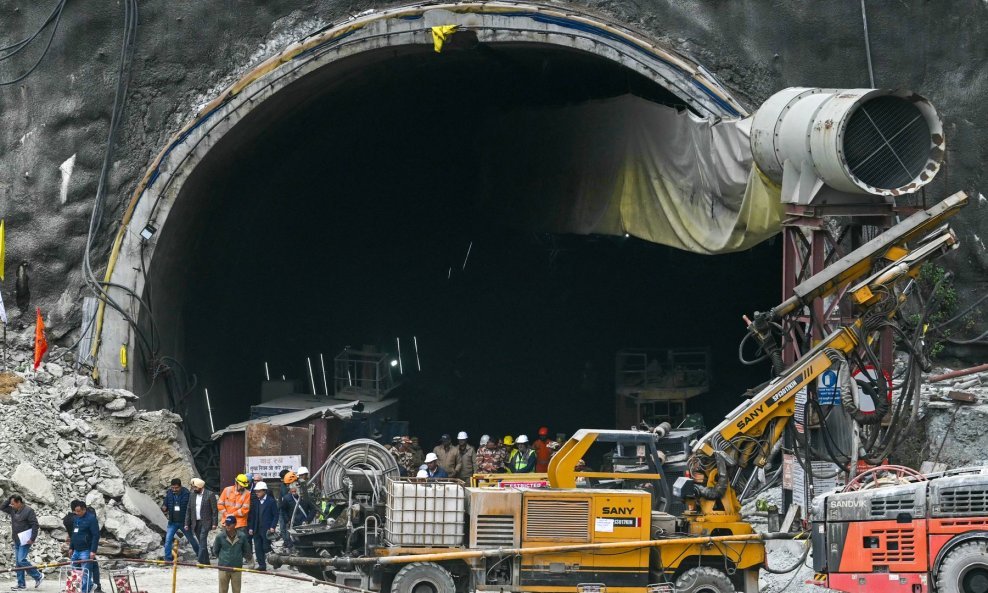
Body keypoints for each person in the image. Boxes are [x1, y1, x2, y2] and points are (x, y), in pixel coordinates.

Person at [1, 494, 42, 590]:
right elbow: (2, 507)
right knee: (18, 563)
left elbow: (35, 525)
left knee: (21, 560)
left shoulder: (29, 511)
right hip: (16, 539)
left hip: (25, 540)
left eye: (13, 503)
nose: (11, 505)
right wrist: (10, 498)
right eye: (11, 504)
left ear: (19, 502)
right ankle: (21, 584)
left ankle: (38, 576)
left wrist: (32, 538)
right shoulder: (12, 509)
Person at [162, 478, 199, 561]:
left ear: (180, 486)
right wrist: (164, 507)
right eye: (173, 488)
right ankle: (168, 559)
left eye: (176, 488)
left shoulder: (187, 494)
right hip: (172, 522)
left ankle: (200, 556)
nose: (174, 490)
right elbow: (165, 503)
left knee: (191, 539)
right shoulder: (169, 493)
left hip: (184, 523)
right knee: (168, 540)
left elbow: (192, 508)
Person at [212, 515, 251, 593]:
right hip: (223, 567)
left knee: (236, 590)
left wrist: (238, 557)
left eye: (229, 524)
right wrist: (223, 559)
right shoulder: (220, 536)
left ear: (235, 524)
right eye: (226, 524)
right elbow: (215, 551)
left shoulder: (242, 536)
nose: (227, 526)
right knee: (222, 590)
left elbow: (246, 551)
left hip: (237, 567)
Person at [68, 500, 100, 593]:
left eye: (79, 511)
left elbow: (96, 535)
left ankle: (84, 590)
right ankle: (84, 587)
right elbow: (74, 534)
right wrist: (71, 547)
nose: (77, 513)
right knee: (74, 572)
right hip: (76, 550)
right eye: (76, 511)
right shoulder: (76, 518)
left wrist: (93, 551)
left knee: (85, 573)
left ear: (84, 509)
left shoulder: (91, 519)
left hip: (86, 550)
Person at [185, 478, 217, 565]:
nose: (194, 489)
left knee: (202, 539)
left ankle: (199, 560)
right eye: (193, 487)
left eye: (195, 487)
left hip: (206, 522)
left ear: (200, 487)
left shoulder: (210, 494)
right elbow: (189, 509)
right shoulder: (192, 495)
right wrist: (187, 523)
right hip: (196, 522)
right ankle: (206, 561)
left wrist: (214, 523)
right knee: (201, 542)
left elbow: (214, 510)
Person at [247, 482, 277, 571]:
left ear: (264, 491)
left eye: (259, 491)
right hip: (256, 529)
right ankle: (262, 565)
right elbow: (253, 516)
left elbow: (276, 515)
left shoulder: (271, 501)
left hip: (266, 529)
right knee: (258, 547)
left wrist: (273, 526)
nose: (257, 493)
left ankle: (276, 560)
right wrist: (251, 528)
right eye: (256, 492)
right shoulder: (255, 502)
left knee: (266, 547)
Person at [280, 483, 314, 550]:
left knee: (305, 542)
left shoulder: (306, 497)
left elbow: (313, 509)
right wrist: (287, 520)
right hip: (292, 524)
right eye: (292, 491)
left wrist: (308, 520)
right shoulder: (286, 498)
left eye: (295, 491)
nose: (294, 493)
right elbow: (283, 510)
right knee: (291, 542)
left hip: (304, 523)